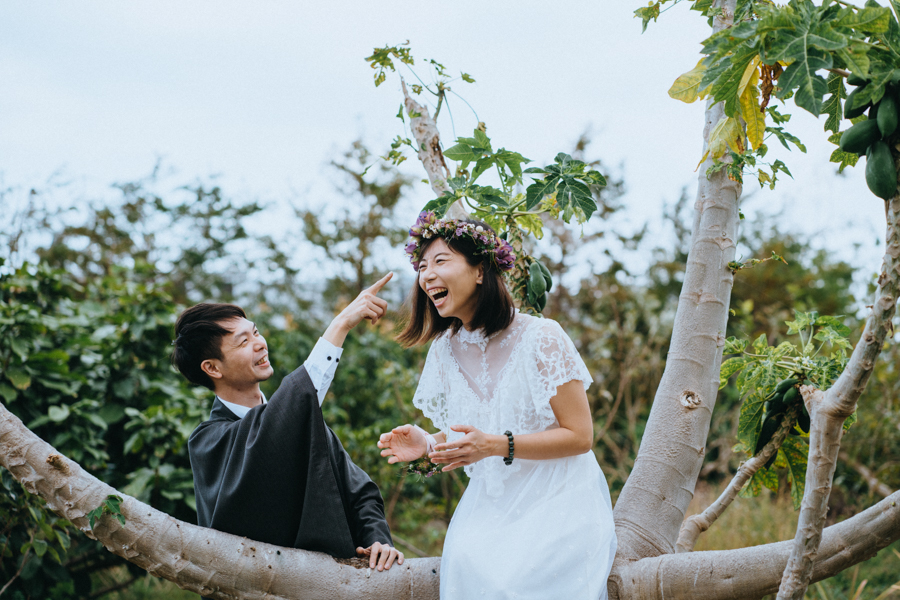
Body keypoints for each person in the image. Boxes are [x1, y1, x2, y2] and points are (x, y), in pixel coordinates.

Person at [377, 212, 617, 599]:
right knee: (465, 567)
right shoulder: (443, 351)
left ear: (480, 271)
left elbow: (580, 436)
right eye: (421, 267)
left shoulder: (542, 337)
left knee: (511, 584)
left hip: (560, 500)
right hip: (489, 507)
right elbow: (476, 431)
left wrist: (495, 445)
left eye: (440, 261)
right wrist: (430, 443)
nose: (427, 275)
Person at [172, 275, 403, 572]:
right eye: (244, 341)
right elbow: (270, 433)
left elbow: (360, 493)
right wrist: (340, 324)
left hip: (333, 581)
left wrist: (377, 541)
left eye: (256, 332)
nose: (259, 344)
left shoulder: (302, 421)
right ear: (212, 368)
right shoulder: (208, 442)